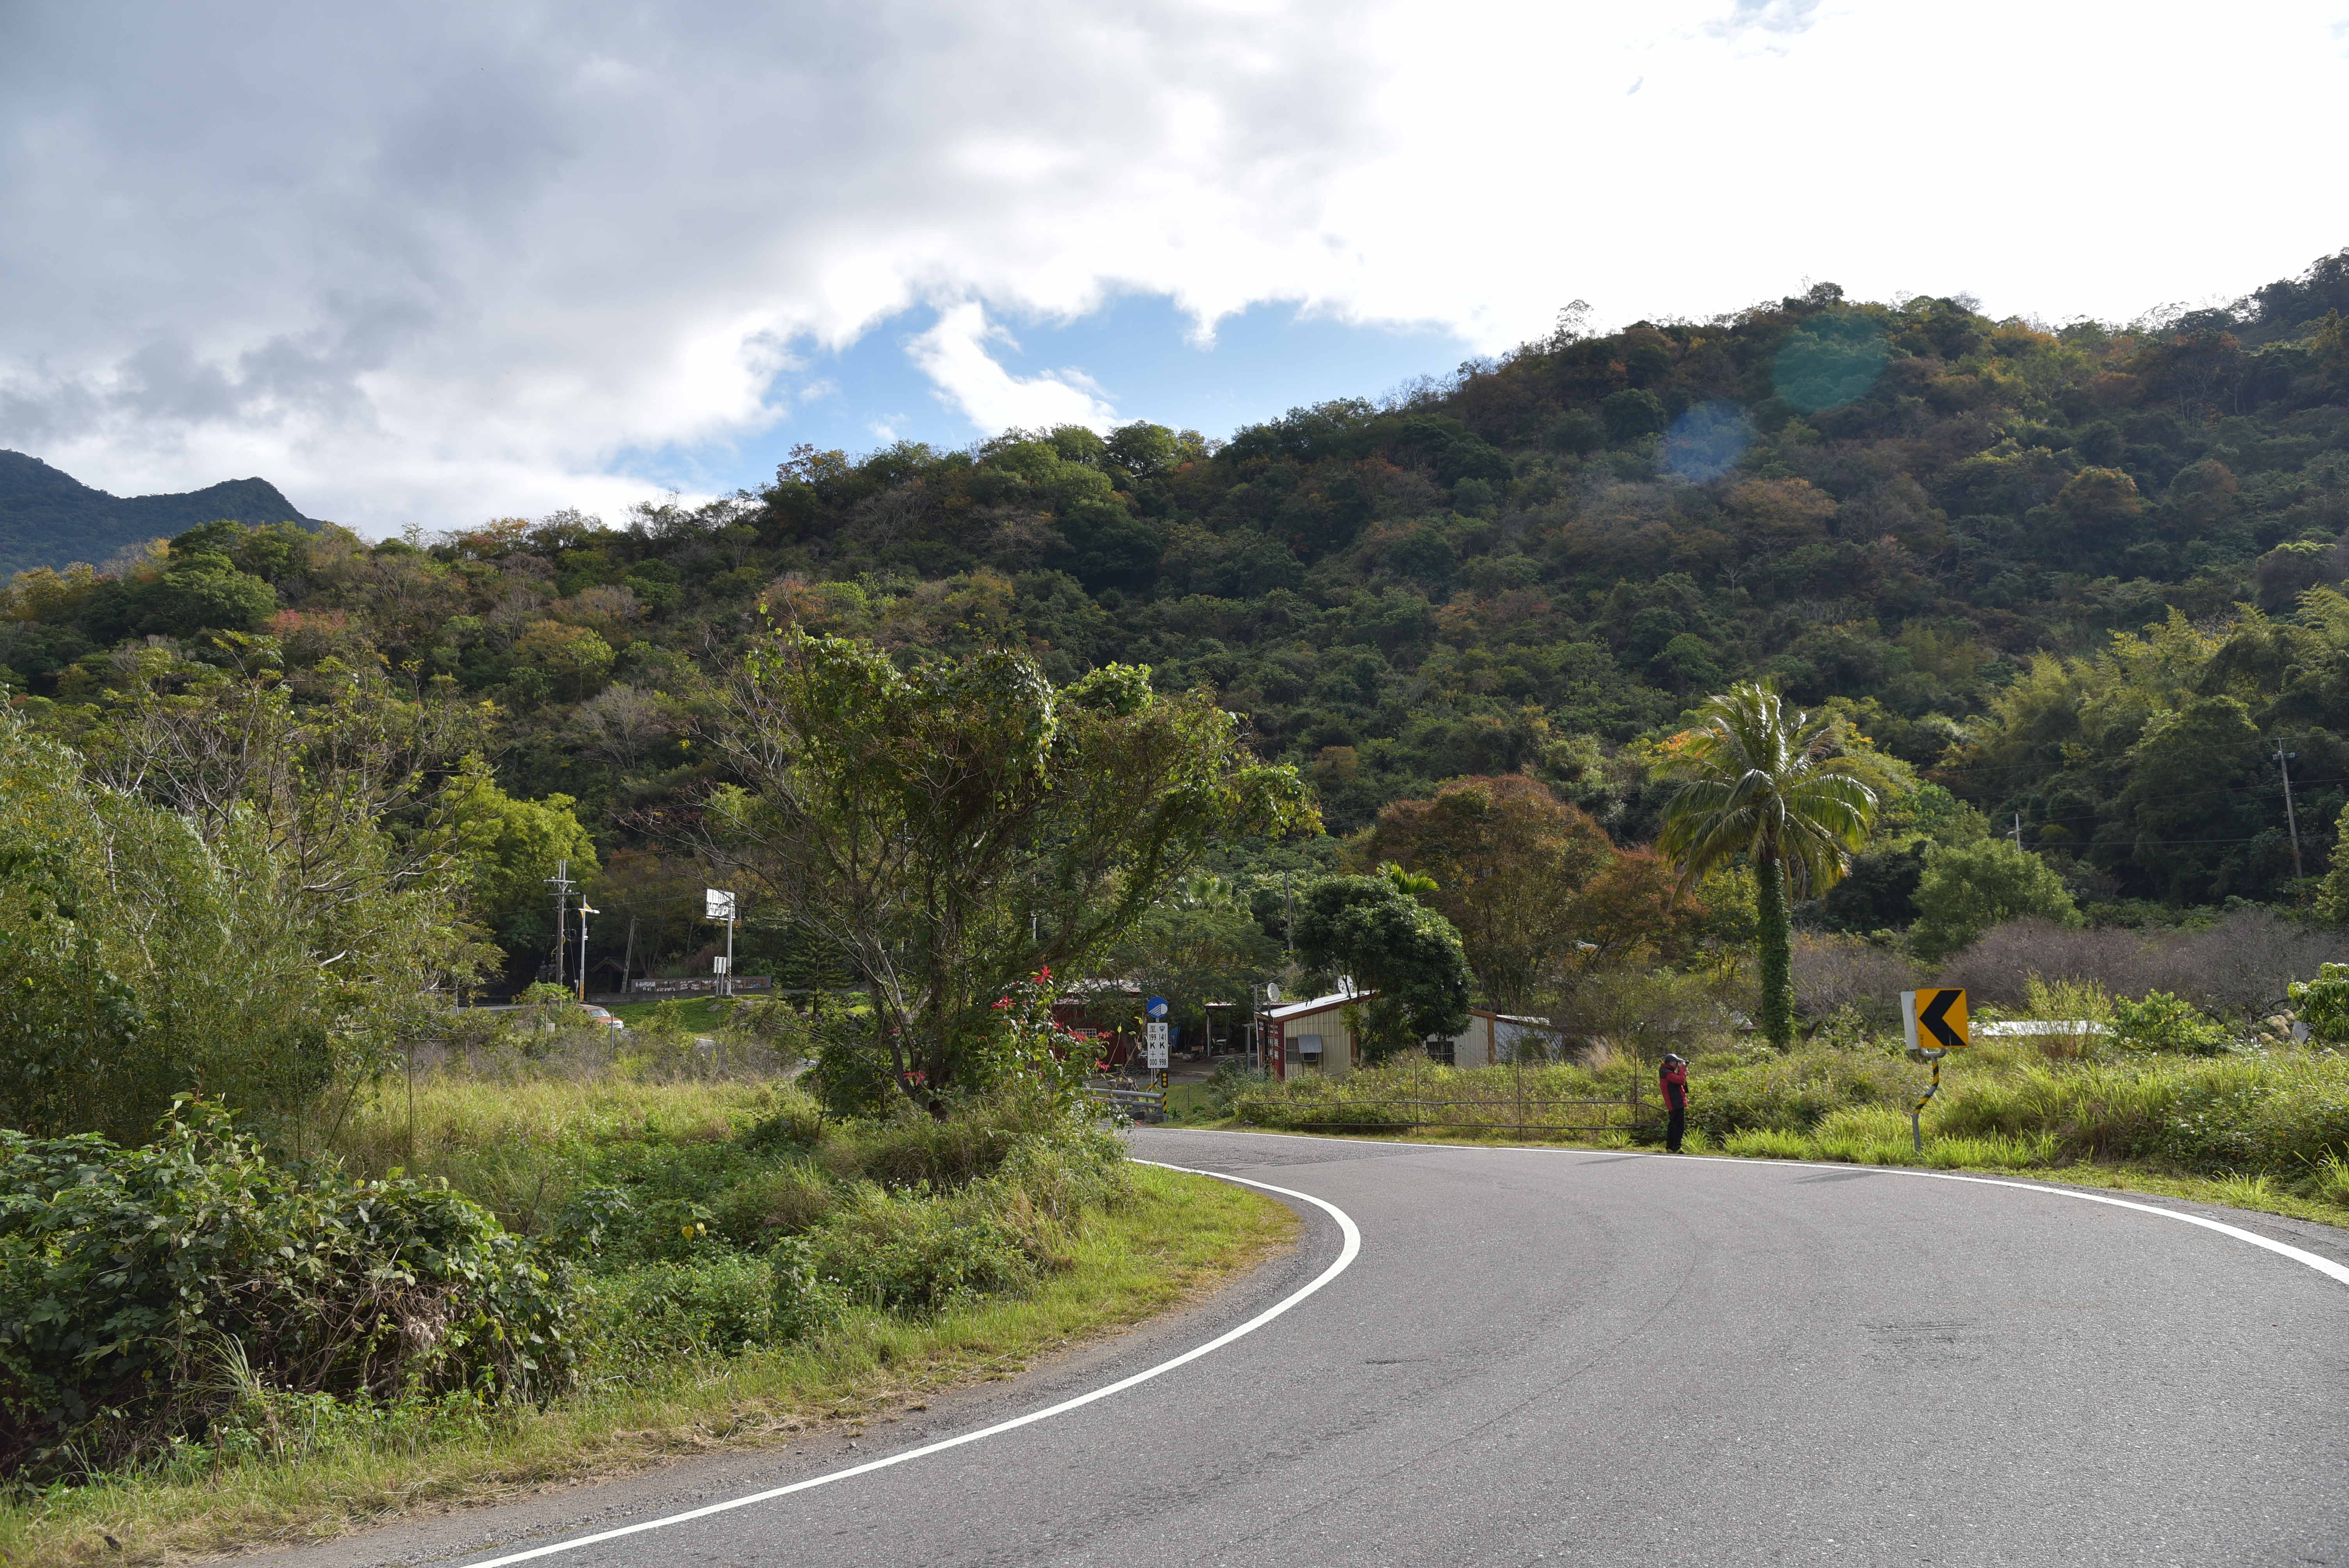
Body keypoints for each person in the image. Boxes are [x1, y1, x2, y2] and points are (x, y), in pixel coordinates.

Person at [1659, 1053, 1689, 1153]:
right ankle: (1677, 1147)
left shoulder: (1666, 1072)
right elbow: (1681, 1080)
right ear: (1671, 1063)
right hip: (1675, 1103)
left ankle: (1670, 1148)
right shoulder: (1667, 1073)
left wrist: (1682, 1069)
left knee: (1673, 1125)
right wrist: (1683, 1069)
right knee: (1678, 1126)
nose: (1677, 1064)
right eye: (1676, 1062)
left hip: (1674, 1102)